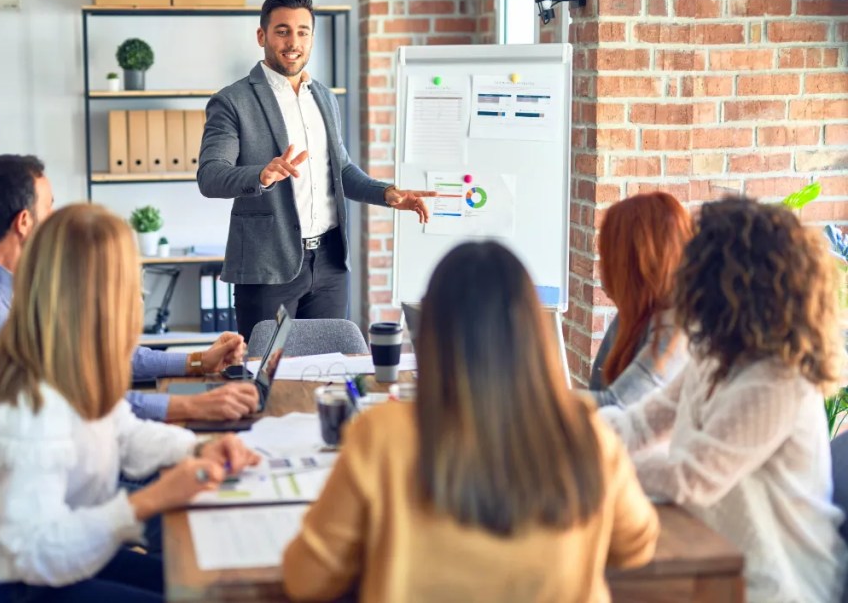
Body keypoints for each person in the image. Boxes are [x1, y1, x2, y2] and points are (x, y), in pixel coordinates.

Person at [282, 242, 659, 602]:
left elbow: (307, 579)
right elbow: (636, 546)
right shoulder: (589, 434)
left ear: (432, 332)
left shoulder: (381, 435)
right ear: (533, 333)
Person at [0, 204, 260, 601]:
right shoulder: (26, 405)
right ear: (99, 299)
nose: (140, 295)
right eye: (132, 283)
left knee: (204, 586)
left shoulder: (60, 359)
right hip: (26, 581)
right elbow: (35, 551)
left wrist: (198, 447)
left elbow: (123, 431)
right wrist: (153, 499)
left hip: (61, 552)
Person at [601, 198, 847, 602]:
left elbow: (691, 478)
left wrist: (601, 463)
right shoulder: (715, 354)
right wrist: (579, 432)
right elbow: (643, 422)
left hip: (779, 582)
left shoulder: (778, 383)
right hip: (715, 554)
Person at [0, 155, 258, 443]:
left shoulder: (18, 286)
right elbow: (76, 398)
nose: (56, 215)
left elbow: (95, 356)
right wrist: (190, 406)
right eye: (50, 205)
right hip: (33, 478)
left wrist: (197, 361)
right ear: (24, 222)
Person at [197, 0, 436, 340]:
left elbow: (340, 172)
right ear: (262, 36)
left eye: (302, 32)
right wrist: (261, 175)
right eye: (282, 31)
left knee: (328, 373)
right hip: (268, 267)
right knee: (270, 379)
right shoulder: (232, 101)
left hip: (329, 265)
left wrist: (387, 193)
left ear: (311, 38)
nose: (293, 42)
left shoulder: (323, 97)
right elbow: (210, 176)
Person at [588, 192, 693, 408]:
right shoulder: (633, 314)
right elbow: (598, 392)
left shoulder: (676, 328)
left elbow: (615, 405)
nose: (602, 267)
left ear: (634, 262)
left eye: (608, 254)